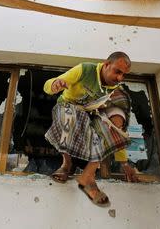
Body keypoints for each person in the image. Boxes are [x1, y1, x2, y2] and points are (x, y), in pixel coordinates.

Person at [44, 52, 138, 207]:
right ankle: (66, 164)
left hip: (91, 114)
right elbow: (49, 85)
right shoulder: (85, 70)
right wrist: (55, 84)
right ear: (106, 64)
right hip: (68, 108)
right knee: (70, 116)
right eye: (117, 72)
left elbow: (116, 129)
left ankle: (88, 176)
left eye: (124, 75)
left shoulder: (115, 89)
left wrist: (124, 163)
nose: (120, 78)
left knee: (116, 118)